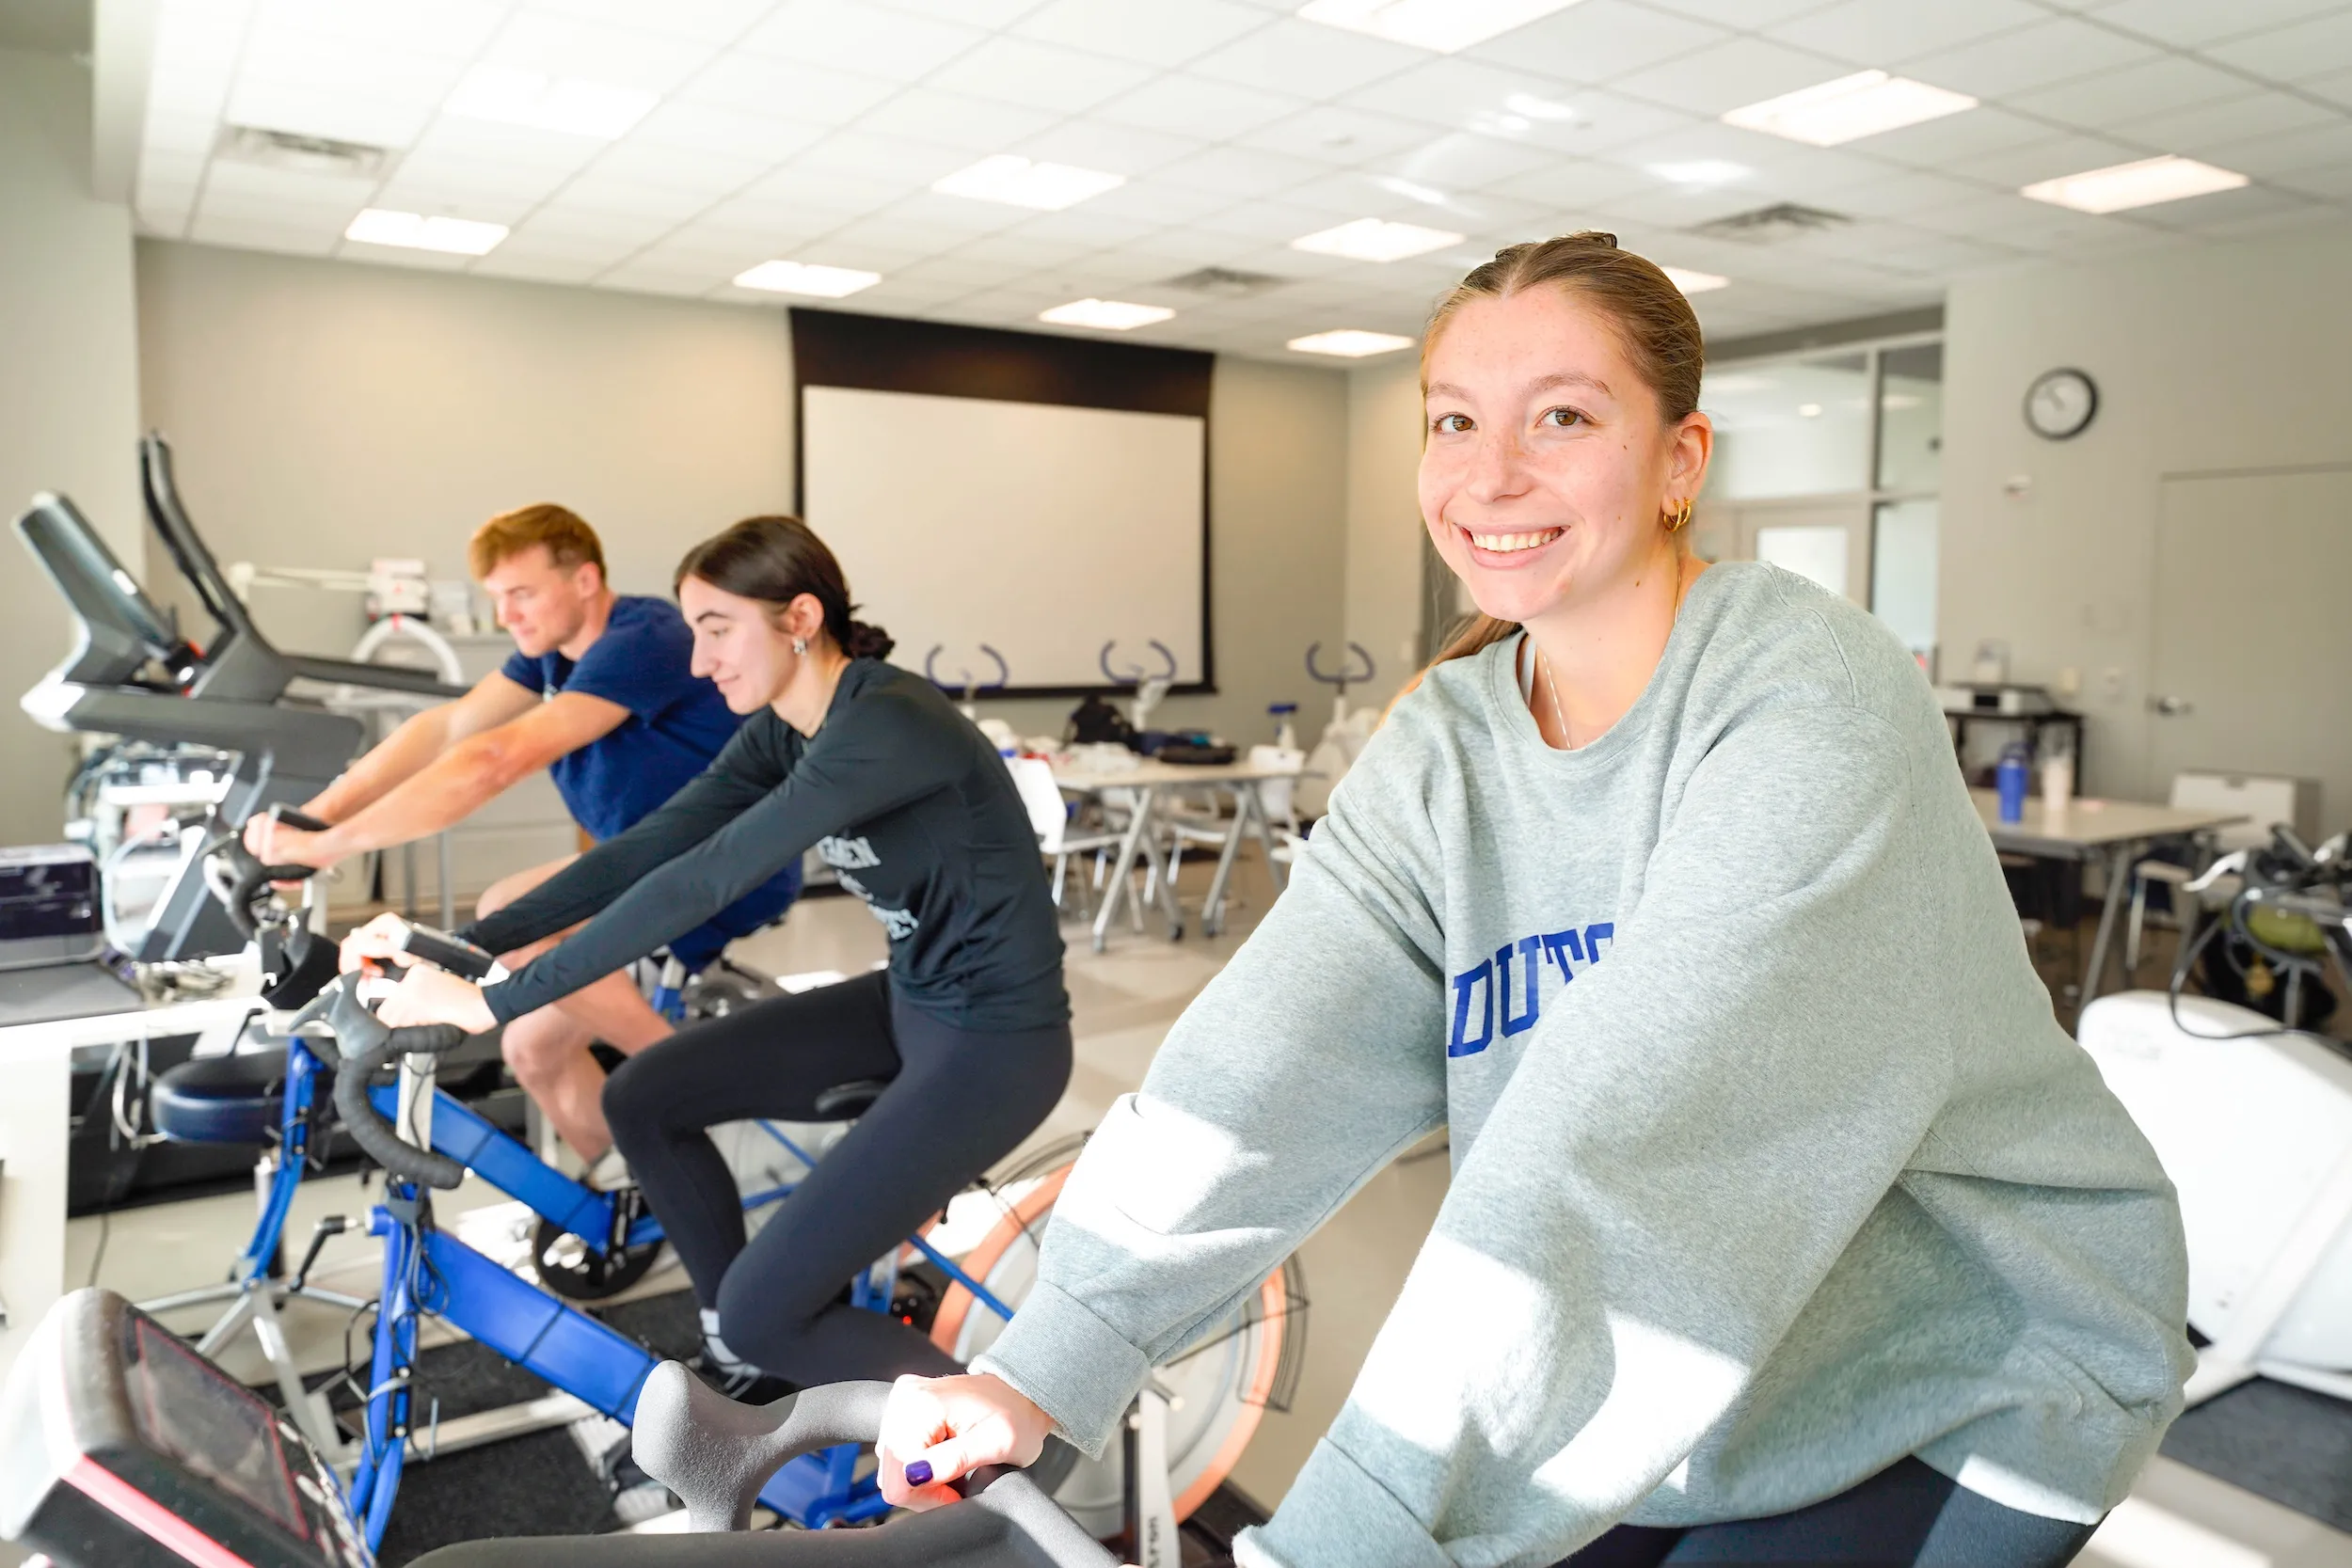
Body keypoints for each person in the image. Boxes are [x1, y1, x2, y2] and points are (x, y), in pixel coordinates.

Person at [871, 233, 2194, 1568]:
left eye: (1561, 415)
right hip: (1672, 1395)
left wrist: (1340, 1535)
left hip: (1958, 1367)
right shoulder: (1446, 741)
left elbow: (1627, 1142)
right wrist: (1044, 1361)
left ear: (1681, 460)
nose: (1491, 473)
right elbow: (1262, 1064)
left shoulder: (1808, 696)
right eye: (1455, 420)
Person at [343, 515, 1072, 1396]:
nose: (698, 661)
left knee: (777, 1311)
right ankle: (745, 1352)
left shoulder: (886, 723)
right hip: (910, 1001)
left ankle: (1014, 1459)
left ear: (799, 618)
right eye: (695, 632)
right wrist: (463, 947)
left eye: (717, 629)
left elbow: (706, 880)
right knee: (645, 1093)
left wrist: (493, 1002)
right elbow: (646, 850)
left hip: (996, 1046)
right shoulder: (784, 727)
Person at [251, 503, 798, 1164]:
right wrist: (316, 817)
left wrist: (323, 850)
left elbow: (494, 760)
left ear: (585, 581)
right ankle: (648, 1198)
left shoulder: (641, 640)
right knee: (531, 1050)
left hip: (729, 866)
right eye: (497, 599)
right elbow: (447, 729)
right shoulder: (548, 658)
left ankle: (696, 1080)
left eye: (522, 594)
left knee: (508, 911)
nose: (508, 614)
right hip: (642, 868)